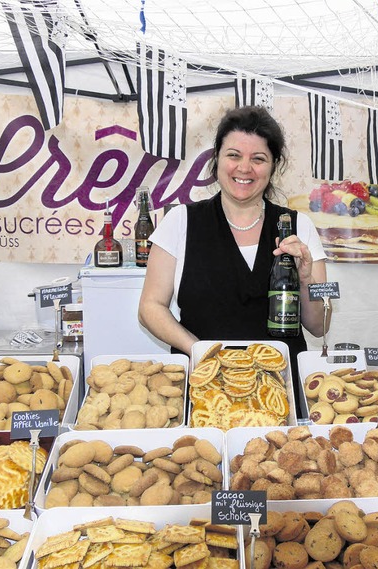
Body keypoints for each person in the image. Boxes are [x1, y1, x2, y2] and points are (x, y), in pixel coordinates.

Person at [138, 106, 328, 410]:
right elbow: (150, 308)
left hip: (280, 389)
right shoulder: (180, 222)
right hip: (204, 387)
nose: (244, 168)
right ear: (217, 159)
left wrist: (306, 278)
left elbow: (319, 326)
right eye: (234, 155)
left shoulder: (298, 226)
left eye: (258, 159)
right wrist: (196, 349)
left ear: (274, 166)